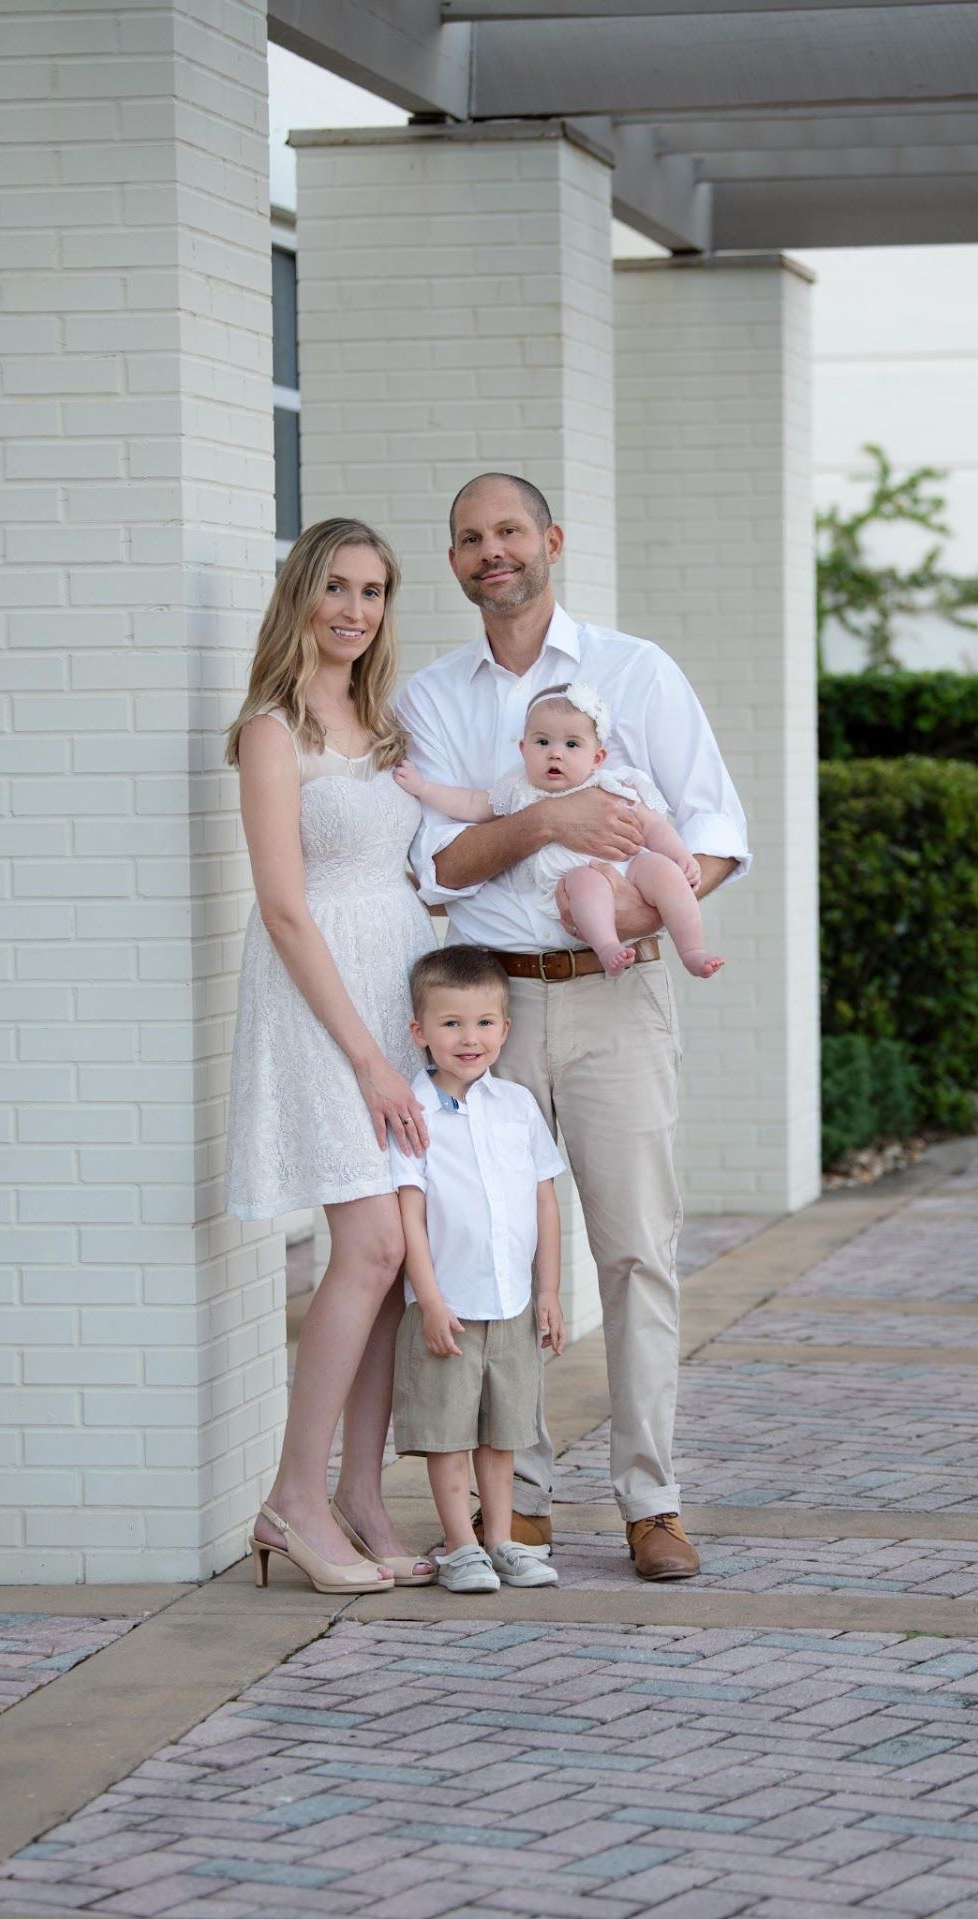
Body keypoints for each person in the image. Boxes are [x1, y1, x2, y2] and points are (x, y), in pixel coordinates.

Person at [397, 473, 750, 1582]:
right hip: (486, 1009)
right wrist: (546, 818)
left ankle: (651, 1498)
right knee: (494, 1245)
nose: (490, 552)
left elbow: (715, 831)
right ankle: (522, 1498)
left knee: (635, 1246)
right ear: (453, 561)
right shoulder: (434, 698)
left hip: (616, 994)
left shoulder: (633, 671)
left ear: (549, 541)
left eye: (508, 532)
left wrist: (634, 910)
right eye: (468, 539)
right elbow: (440, 868)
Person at [227, 516, 437, 1597]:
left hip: (395, 996)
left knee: (394, 1260)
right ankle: (291, 1498)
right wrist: (366, 1057)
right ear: (302, 594)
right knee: (363, 1246)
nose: (356, 611)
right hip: (323, 1011)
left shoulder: (384, 725)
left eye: (375, 591)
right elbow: (282, 906)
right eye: (339, 588)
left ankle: (361, 1492)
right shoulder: (274, 730)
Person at [387, 947, 566, 1594]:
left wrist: (548, 1290)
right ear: (420, 1032)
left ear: (505, 1028)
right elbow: (409, 1210)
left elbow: (544, 1200)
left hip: (513, 1303)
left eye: (485, 1023)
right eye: (452, 1023)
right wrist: (429, 1299)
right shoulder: (413, 1111)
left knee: (504, 1429)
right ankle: (460, 1546)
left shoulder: (517, 1106)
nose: (470, 1038)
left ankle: (501, 1538)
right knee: (448, 1432)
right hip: (450, 1307)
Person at [395, 680, 725, 979]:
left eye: (571, 744)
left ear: (597, 758)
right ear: (523, 749)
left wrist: (680, 855)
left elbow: (652, 824)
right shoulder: (518, 791)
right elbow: (469, 804)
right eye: (542, 742)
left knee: (667, 873)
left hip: (631, 865)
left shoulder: (612, 784)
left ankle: (693, 949)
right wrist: (424, 788)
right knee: (586, 884)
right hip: (576, 875)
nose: (555, 752)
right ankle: (608, 946)